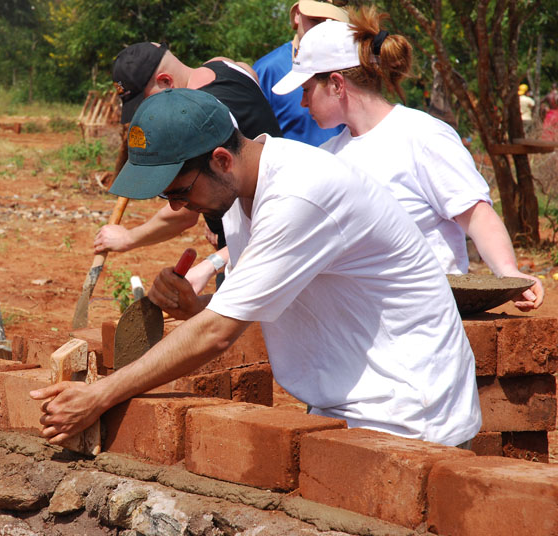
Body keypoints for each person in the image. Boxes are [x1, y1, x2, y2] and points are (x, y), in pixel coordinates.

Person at [32, 88, 482, 448]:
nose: (177, 207)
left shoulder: (299, 194)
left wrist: (101, 395)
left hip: (409, 408)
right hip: (352, 400)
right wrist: (199, 307)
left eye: (181, 191)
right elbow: (250, 306)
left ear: (221, 160)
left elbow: (217, 334)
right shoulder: (237, 194)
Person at [272, 9, 543, 311]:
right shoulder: (328, 154)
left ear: (337, 84)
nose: (302, 102)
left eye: (307, 90)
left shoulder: (422, 136)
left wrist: (508, 272)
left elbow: (476, 214)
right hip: (361, 318)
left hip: (427, 314)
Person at [96, 42, 282, 289]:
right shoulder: (226, 66)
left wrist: (128, 238)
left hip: (258, 235)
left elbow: (184, 212)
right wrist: (220, 216)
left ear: (166, 81)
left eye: (145, 102)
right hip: (247, 221)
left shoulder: (202, 117)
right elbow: (249, 75)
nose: (148, 113)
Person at [253, 0, 347, 144]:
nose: (322, 29)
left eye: (331, 22)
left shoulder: (352, 65)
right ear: (297, 14)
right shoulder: (267, 70)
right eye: (315, 20)